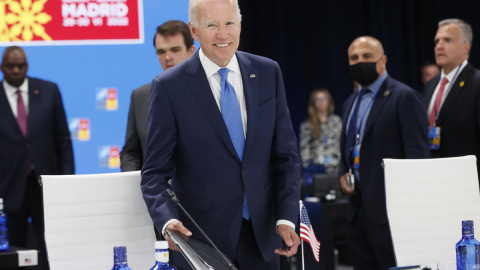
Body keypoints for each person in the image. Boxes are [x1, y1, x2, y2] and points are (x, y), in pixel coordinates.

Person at [141, 0, 302, 269]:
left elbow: (286, 156)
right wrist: (168, 223)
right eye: (211, 25)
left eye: (229, 23)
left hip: (264, 239)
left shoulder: (267, 72)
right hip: (202, 242)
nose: (223, 34)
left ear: (240, 25)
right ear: (194, 30)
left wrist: (285, 218)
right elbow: (154, 174)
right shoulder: (169, 87)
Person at [338, 36, 430, 270]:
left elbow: (418, 160)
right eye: (354, 58)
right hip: (357, 213)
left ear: (383, 60)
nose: (360, 62)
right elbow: (347, 149)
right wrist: (343, 174)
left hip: (392, 217)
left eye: (367, 56)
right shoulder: (350, 102)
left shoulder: (404, 97)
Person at [0, 46, 74, 269]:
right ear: (2, 67)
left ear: (27, 66)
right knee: (12, 254)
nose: (15, 70)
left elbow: (63, 140)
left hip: (46, 187)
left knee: (51, 249)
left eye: (20, 65)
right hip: (8, 188)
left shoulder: (49, 90)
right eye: (10, 66)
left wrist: (66, 183)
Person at [120, 20, 196, 171]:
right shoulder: (140, 96)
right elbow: (131, 153)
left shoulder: (211, 91)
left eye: (175, 50)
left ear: (191, 51)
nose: (167, 57)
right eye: (161, 52)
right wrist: (140, 184)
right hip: (155, 192)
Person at [424, 18, 480, 179]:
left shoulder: (477, 82)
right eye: (437, 41)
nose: (439, 46)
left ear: (466, 47)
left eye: (447, 40)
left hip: (467, 180)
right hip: (433, 176)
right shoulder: (431, 85)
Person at [299, 88, 342, 176]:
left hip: (336, 169)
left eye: (324, 98)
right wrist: (308, 166)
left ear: (329, 101)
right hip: (316, 170)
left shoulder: (337, 121)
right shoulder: (308, 124)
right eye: (318, 99)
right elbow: (304, 149)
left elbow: (342, 143)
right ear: (313, 103)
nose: (321, 102)